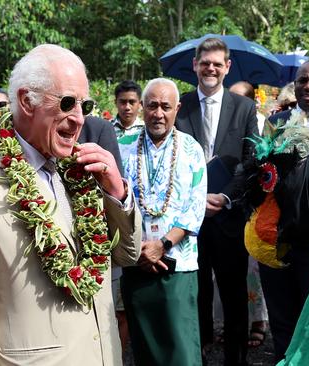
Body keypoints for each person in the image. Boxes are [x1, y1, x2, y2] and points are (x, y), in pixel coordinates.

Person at [0, 44, 141, 366]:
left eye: (84, 105)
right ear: (26, 100)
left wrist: (117, 193)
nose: (78, 119)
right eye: (66, 103)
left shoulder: (82, 173)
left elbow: (127, 255)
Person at [175, 37, 258, 366]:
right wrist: (196, 197)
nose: (210, 68)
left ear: (227, 67)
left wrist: (225, 196)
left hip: (229, 216)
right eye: (204, 62)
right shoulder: (179, 106)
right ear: (195, 65)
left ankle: (235, 360)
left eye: (216, 63)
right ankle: (196, 355)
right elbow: (171, 160)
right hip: (187, 222)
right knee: (195, 295)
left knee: (234, 295)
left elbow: (251, 162)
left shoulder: (245, 108)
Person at [121, 78, 207, 365]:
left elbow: (195, 209)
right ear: (143, 107)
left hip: (177, 264)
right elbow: (112, 203)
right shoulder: (123, 147)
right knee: (146, 350)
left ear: (177, 109)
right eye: (153, 105)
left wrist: (163, 244)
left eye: (166, 107)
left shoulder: (192, 149)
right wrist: (141, 248)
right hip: (137, 261)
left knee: (181, 351)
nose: (158, 113)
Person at [228, 80, 269, 347]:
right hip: (229, 201)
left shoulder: (265, 124)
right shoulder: (228, 123)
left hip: (257, 204)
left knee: (253, 268)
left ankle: (257, 321)